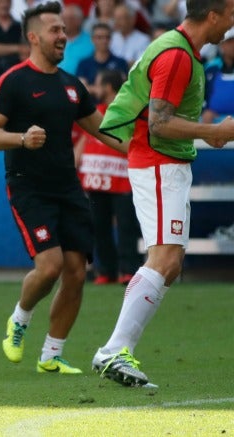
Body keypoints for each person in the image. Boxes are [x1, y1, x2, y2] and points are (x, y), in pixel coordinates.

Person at [0, 1, 124, 374]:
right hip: (29, 187)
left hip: (69, 189)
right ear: (34, 37)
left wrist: (144, 150)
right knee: (50, 266)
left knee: (76, 272)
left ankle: (51, 355)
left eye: (63, 29)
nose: (63, 35)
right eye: (55, 30)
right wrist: (22, 139)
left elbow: (102, 131)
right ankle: (19, 321)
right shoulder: (14, 80)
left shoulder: (72, 86)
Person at [94, 0, 234, 387]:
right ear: (213, 15)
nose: (232, 22)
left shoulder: (179, 49)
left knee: (169, 262)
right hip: (157, 162)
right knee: (165, 258)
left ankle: (115, 350)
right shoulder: (176, 56)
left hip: (163, 163)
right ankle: (112, 351)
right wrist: (213, 132)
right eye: (231, 14)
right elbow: (158, 123)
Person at [75, 69, 141, 285]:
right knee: (99, 228)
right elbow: (83, 144)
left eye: (99, 84)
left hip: (122, 181)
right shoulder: (93, 113)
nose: (95, 88)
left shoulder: (126, 113)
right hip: (95, 181)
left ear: (109, 88)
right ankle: (106, 271)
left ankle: (128, 270)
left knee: (126, 228)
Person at [75, 22, 128, 94]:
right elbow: (81, 89)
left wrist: (94, 89)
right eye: (99, 37)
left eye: (107, 37)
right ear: (92, 39)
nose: (104, 41)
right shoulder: (84, 64)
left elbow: (124, 88)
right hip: (91, 104)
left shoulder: (121, 62)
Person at [202, 28, 234, 123]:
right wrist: (204, 111)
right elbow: (199, 94)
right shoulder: (210, 67)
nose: (233, 45)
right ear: (222, 45)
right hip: (214, 121)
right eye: (229, 42)